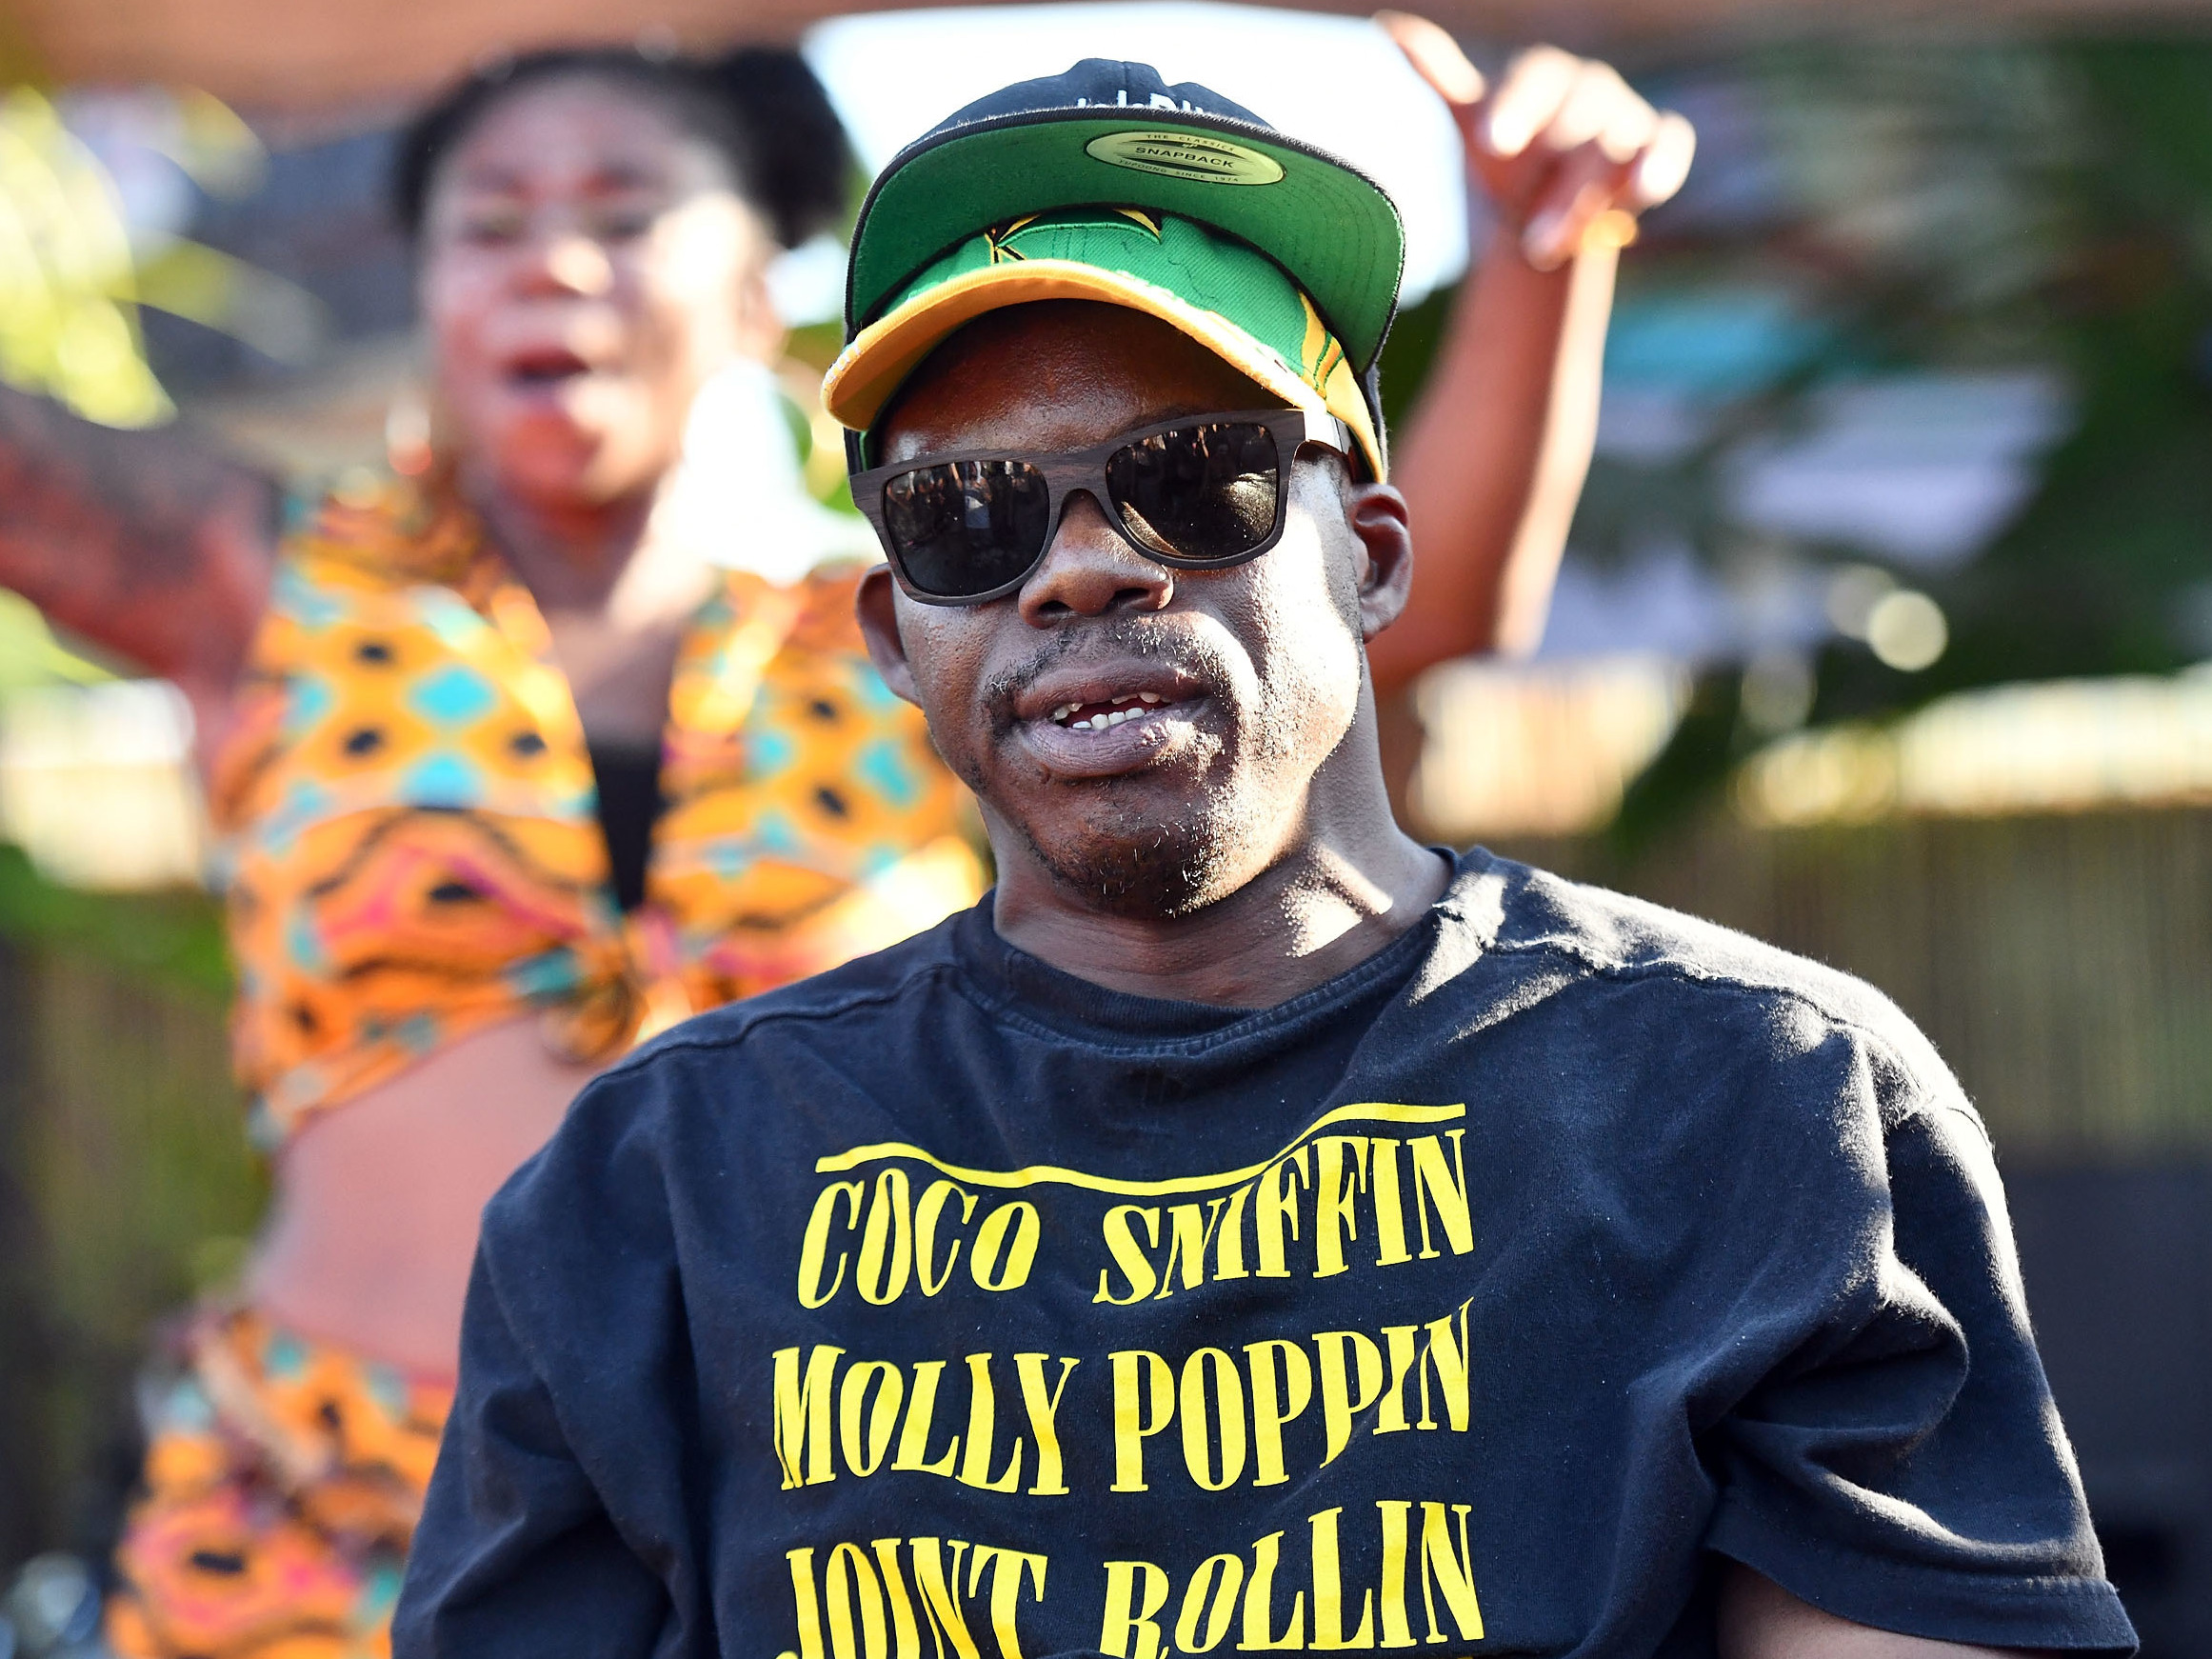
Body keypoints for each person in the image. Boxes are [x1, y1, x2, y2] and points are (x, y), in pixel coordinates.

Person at [394, 58, 2135, 1659]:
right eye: (967, 511)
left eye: (1193, 474)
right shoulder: (654, 1192)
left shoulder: (1751, 1101)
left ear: (1372, 551)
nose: (1078, 567)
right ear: (892, 630)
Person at [0, 30, 1681, 1659]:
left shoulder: (927, 620)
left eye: (621, 212)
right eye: (489, 225)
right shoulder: (267, 585)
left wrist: (1544, 254)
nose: (553, 262)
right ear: (428, 289)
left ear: (757, 296)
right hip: (304, 1541)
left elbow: (1404, 609)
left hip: (830, 1545)